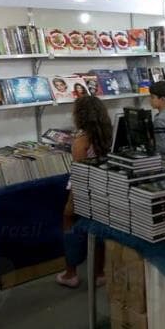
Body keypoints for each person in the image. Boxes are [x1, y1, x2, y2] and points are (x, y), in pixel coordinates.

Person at [57, 95, 112, 288]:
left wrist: (71, 201)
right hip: (102, 188)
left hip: (83, 191)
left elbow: (79, 173)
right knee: (99, 232)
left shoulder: (81, 140)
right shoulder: (106, 135)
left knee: (69, 225)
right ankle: (99, 273)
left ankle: (71, 273)